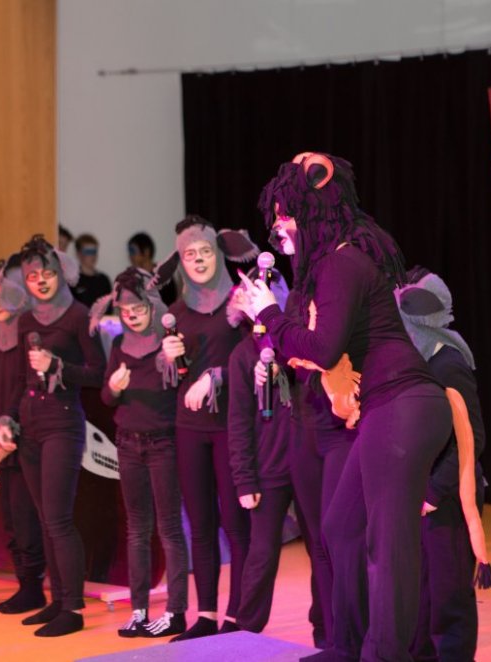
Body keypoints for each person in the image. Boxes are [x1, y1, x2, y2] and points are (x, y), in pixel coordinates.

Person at [237, 153, 453, 661]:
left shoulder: (342, 261)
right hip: (389, 407)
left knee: (388, 544)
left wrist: (269, 313)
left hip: (403, 405)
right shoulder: (333, 264)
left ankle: (385, 654)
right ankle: (349, 646)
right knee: (340, 526)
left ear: (311, 211)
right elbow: (313, 348)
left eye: (285, 215)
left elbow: (324, 349)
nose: (278, 227)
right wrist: (271, 322)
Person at [154, 215, 259, 641]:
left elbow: (261, 359)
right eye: (189, 254)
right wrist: (167, 357)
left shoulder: (240, 302)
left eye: (204, 252)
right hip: (189, 429)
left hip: (233, 427)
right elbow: (172, 375)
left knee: (236, 524)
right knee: (200, 526)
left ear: (218, 253)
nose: (198, 260)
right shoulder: (176, 312)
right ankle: (207, 616)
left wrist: (218, 376)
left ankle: (238, 615)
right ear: (180, 261)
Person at [0, 234, 107, 637]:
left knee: (59, 520)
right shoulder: (26, 319)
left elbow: (98, 373)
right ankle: (58, 600)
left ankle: (73, 609)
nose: (40, 281)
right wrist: (7, 418)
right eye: (32, 276)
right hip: (30, 424)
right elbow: (22, 379)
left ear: (60, 272)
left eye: (46, 273)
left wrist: (58, 366)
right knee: (45, 520)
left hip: (63, 422)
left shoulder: (79, 316)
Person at [396, 268, 490, 662]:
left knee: (448, 594)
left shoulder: (447, 363)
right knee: (420, 593)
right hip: (422, 493)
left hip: (447, 497)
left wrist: (435, 491)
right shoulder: (420, 361)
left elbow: (473, 438)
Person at [91, 267, 189, 639]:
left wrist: (174, 360)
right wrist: (115, 388)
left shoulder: (168, 341)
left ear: (151, 306)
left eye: (138, 309)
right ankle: (139, 611)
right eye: (125, 310)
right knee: (136, 529)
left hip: (163, 442)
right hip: (127, 443)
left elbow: (182, 382)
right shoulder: (119, 344)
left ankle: (176, 612)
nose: (131, 316)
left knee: (169, 529)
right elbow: (105, 397)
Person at [226, 274, 298, 635]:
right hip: (268, 467)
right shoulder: (241, 355)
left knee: (324, 546)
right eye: (244, 296)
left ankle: (330, 630)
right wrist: (245, 479)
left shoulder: (296, 340)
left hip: (307, 460)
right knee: (262, 552)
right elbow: (238, 421)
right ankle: (247, 629)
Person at [0, 254, 47, 615]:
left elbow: (28, 385)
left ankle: (34, 587)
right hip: (1, 439)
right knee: (10, 517)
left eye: (2, 292)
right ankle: (24, 583)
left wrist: (10, 429)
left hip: (26, 436)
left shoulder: (29, 332)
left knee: (26, 518)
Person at [128, 232, 176, 304]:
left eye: (133, 251)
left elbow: (170, 303)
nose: (130, 256)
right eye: (130, 252)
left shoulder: (164, 275)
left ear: (146, 252)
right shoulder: (132, 278)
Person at [72, 233, 112, 307]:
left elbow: (109, 308)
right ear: (78, 254)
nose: (92, 256)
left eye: (94, 251)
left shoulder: (104, 280)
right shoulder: (72, 280)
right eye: (88, 252)